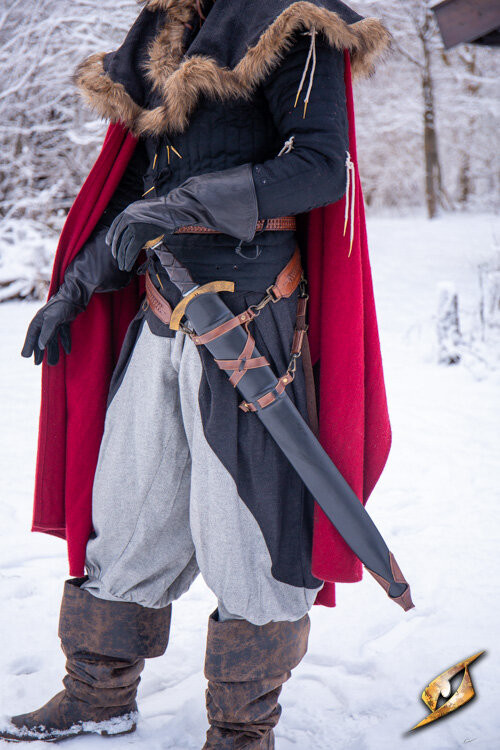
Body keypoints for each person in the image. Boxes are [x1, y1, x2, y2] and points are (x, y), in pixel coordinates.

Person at [1, 0, 393, 745]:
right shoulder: (161, 35)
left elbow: (319, 169)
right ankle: (98, 693)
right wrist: (77, 285)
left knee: (248, 530)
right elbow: (130, 194)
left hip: (252, 316)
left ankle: (242, 729)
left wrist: (182, 205)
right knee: (125, 509)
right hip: (159, 308)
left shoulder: (294, 24)